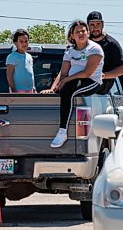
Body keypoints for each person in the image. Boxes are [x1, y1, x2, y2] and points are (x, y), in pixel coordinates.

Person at [42, 20, 104, 148]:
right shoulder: (70, 51)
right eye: (77, 32)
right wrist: (53, 89)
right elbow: (63, 73)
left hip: (91, 81)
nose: (80, 33)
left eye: (83, 31)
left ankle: (62, 130)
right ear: (72, 35)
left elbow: (87, 73)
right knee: (64, 90)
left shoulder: (94, 49)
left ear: (88, 33)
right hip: (72, 81)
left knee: (68, 90)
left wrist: (66, 81)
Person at [87, 11, 123, 100]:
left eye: (98, 24)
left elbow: (121, 70)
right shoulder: (83, 43)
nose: (95, 28)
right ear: (87, 26)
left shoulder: (112, 44)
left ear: (102, 25)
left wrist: (102, 75)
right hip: (81, 88)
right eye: (92, 24)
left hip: (104, 92)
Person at [6, 29, 35, 94]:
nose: (24, 43)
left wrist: (34, 88)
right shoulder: (12, 56)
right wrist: (13, 90)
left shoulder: (29, 56)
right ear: (15, 42)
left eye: (26, 41)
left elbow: (31, 75)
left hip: (30, 91)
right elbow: (9, 75)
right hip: (18, 91)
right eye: (21, 41)